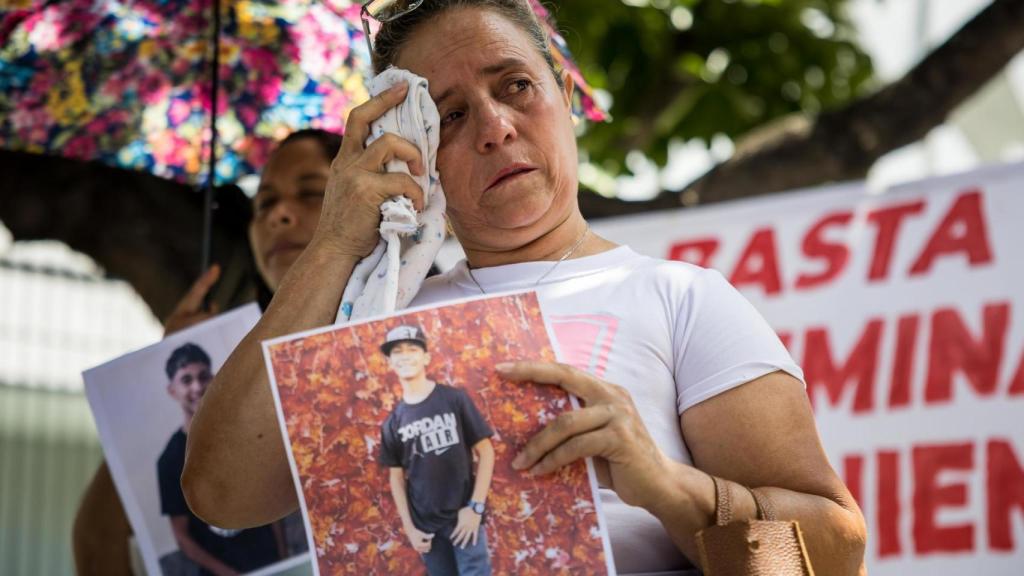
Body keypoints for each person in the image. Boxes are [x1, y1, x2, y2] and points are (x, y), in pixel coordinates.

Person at [182, 2, 868, 575]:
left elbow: (836, 552)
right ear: (412, 149)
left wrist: (668, 485)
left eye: (514, 85)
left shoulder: (679, 297)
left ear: (564, 97)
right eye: (448, 115)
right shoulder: (378, 322)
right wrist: (334, 240)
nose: (494, 127)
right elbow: (221, 495)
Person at [72, 128, 341, 576]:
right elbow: (98, 541)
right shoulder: (229, 371)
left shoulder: (414, 332)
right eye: (264, 203)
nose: (279, 215)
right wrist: (161, 371)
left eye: (311, 192)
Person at [378, 325, 495, 575]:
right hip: (427, 530)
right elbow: (396, 478)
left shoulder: (453, 399)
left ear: (426, 357)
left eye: (412, 348)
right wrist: (410, 529)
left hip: (464, 519)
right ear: (389, 362)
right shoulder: (393, 422)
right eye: (397, 351)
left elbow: (486, 453)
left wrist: (476, 508)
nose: (406, 355)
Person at [157, 343, 282, 575]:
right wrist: (226, 573)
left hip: (269, 562)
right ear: (172, 390)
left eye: (203, 376)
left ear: (213, 378)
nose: (197, 386)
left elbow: (266, 497)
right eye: (186, 380)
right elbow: (182, 536)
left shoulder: (242, 432)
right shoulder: (169, 460)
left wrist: (283, 555)